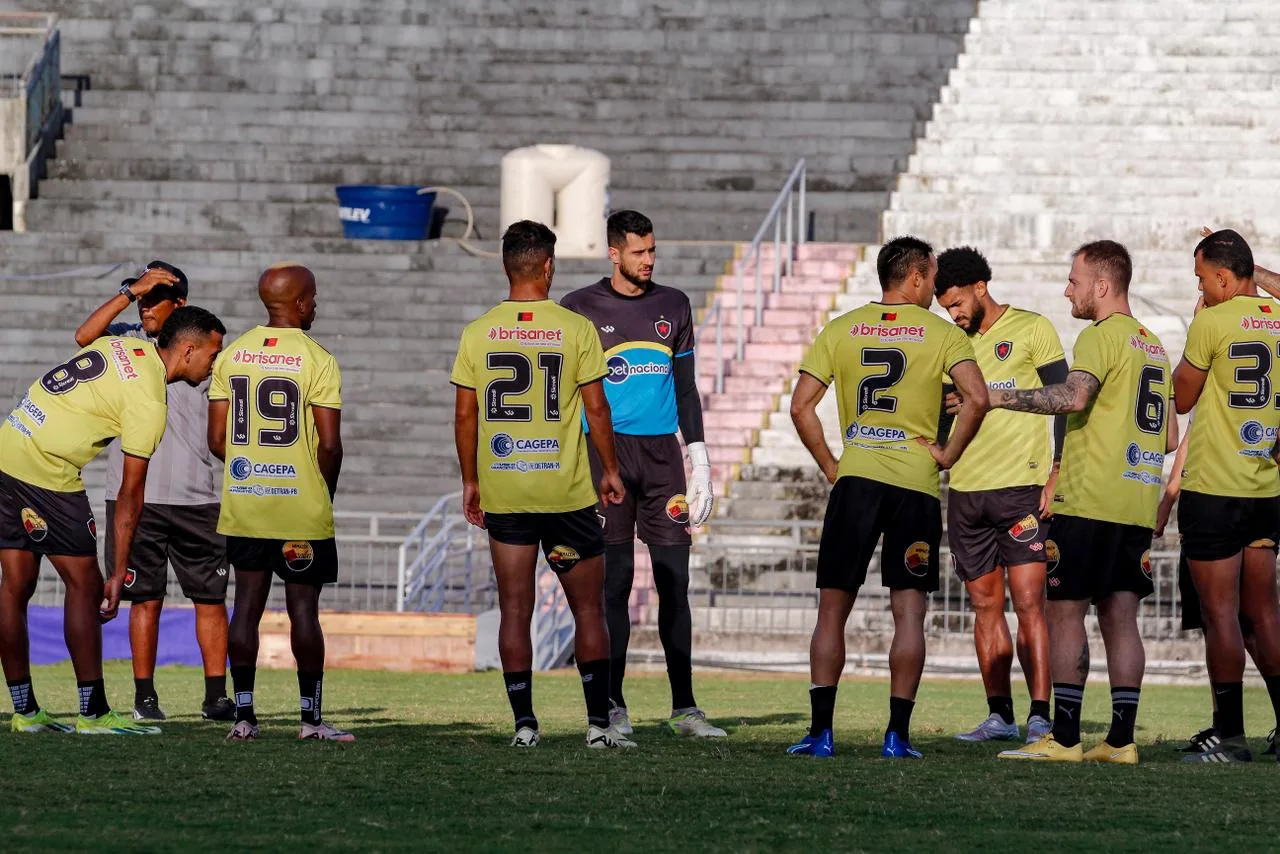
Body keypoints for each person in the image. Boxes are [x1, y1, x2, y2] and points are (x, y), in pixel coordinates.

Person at [787, 235, 990, 759]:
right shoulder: (942, 335)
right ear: (917, 277)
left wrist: (833, 465)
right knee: (909, 614)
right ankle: (897, 736)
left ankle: (821, 733)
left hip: (856, 482)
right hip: (915, 486)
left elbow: (801, 407)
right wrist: (946, 455)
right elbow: (978, 398)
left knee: (831, 611)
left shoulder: (841, 328)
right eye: (933, 277)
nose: (936, 288)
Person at [1, 306, 225, 735]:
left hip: (9, 442)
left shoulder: (124, 345)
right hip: (46, 469)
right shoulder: (150, 400)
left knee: (14, 587)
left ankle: (26, 712)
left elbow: (84, 337)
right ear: (189, 350)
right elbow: (129, 497)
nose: (214, 364)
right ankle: (93, 713)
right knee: (85, 587)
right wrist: (120, 574)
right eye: (213, 354)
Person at [452, 220, 632, 749]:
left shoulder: (478, 331)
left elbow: (465, 418)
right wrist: (612, 471)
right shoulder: (575, 328)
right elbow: (596, 408)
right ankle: (599, 726)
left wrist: (470, 480)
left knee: (515, 609)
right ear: (548, 266)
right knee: (589, 610)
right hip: (566, 492)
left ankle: (525, 725)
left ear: (508, 267)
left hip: (506, 491)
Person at [996, 240, 1176, 765]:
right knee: (1122, 618)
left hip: (1091, 498)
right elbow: (1167, 436)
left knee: (1065, 613)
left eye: (1073, 280)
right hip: (1135, 501)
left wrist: (998, 396)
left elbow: (1072, 397)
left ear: (1102, 285)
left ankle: (1066, 738)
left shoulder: (1101, 336)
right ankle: (1121, 741)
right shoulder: (1153, 345)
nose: (1067, 289)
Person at [560, 210, 724, 739]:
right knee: (616, 585)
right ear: (613, 253)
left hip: (662, 461)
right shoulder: (579, 307)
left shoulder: (673, 304)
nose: (649, 260)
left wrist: (698, 459)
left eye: (652, 251)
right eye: (638, 252)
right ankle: (612, 707)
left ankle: (685, 708)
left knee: (676, 582)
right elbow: (565, 395)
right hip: (604, 457)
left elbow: (686, 388)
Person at [74, 261, 234, 723]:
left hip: (197, 493)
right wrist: (129, 291)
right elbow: (84, 338)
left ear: (179, 304)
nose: (145, 307)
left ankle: (215, 696)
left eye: (154, 298)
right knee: (144, 597)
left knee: (210, 597)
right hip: (130, 493)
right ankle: (145, 696)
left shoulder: (207, 347)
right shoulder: (124, 339)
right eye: (142, 298)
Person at [209, 264, 348, 742]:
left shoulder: (232, 355)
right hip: (299, 509)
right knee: (303, 612)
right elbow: (329, 445)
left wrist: (256, 466)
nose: (317, 305)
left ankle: (244, 716)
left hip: (247, 504)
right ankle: (310, 719)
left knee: (245, 607)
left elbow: (216, 439)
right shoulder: (318, 359)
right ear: (303, 302)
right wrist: (317, 488)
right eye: (315, 297)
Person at [934, 246, 1065, 744]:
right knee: (985, 607)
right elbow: (948, 411)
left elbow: (1064, 403)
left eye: (957, 304)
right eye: (946, 308)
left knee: (1031, 603)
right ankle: (999, 716)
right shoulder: (953, 343)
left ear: (980, 288)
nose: (954, 314)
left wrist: (1056, 471)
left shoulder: (1033, 329)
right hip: (967, 490)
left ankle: (1039, 716)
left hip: (1022, 488)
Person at [1170, 229, 1280, 763]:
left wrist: (1197, 328)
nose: (1200, 286)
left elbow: (1183, 397)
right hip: (1266, 485)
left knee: (1221, 615)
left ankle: (1229, 736)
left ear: (1219, 275)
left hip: (1215, 484)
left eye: (1201, 277)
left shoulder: (1212, 321)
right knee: (1264, 614)